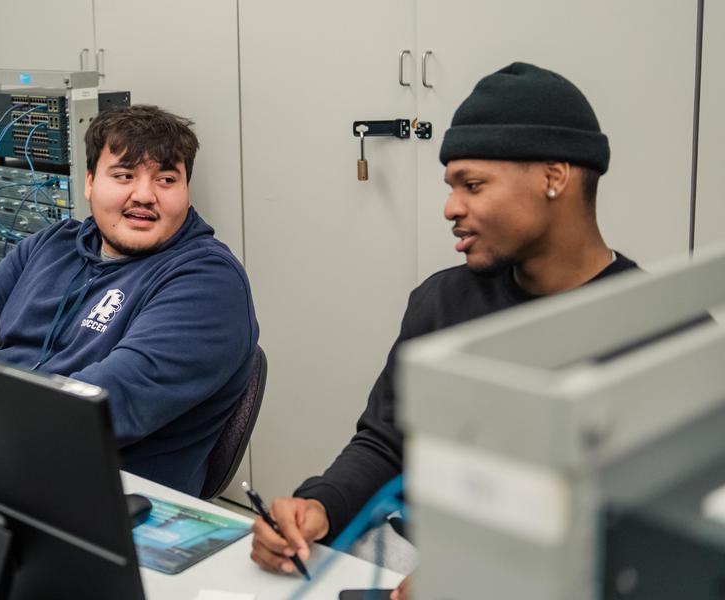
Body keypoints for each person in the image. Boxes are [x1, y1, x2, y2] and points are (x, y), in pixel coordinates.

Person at [248, 63, 630, 597]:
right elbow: (387, 443)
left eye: (472, 185)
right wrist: (321, 506)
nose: (451, 208)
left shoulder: (654, 331)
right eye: (452, 187)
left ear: (554, 177)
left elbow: (645, 535)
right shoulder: (443, 301)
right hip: (408, 556)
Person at [0, 105, 259, 496]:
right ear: (90, 183)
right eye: (125, 175)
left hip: (103, 501)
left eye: (167, 180)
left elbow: (105, 401)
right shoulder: (52, 245)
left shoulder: (207, 282)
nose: (145, 195)